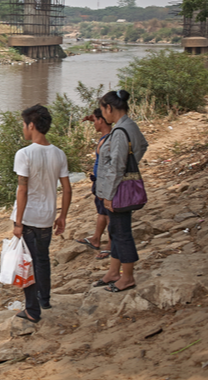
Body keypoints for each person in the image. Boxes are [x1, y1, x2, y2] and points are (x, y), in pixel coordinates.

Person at [11, 104, 72, 323]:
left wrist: (18, 222)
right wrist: (62, 215)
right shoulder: (59, 153)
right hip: (47, 215)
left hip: (29, 217)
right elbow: (67, 188)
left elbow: (23, 189)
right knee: (42, 259)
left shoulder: (24, 154)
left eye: (24, 125)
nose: (23, 129)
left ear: (32, 125)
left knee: (28, 262)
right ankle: (44, 299)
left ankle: (31, 310)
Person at [94, 90, 148, 293]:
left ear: (109, 108)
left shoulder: (118, 132)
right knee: (115, 231)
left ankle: (127, 277)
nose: (103, 115)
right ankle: (114, 271)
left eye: (102, 110)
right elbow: (143, 145)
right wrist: (131, 168)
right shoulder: (130, 125)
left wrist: (108, 195)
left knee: (122, 233)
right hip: (123, 187)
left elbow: (116, 166)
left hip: (116, 191)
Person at [76, 108, 113, 260]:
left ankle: (111, 244)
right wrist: (92, 117)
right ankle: (96, 238)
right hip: (100, 182)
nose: (93, 124)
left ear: (101, 120)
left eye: (95, 121)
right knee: (102, 211)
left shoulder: (109, 140)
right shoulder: (106, 136)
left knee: (109, 213)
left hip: (105, 183)